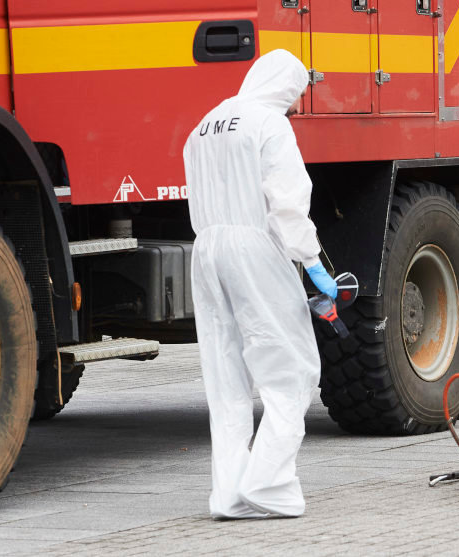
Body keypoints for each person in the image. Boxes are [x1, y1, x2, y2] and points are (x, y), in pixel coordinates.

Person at [182, 49, 337, 519]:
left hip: (206, 249)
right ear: (287, 85)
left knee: (225, 378)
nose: (295, 105)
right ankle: (267, 485)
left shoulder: (204, 125)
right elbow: (287, 204)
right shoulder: (270, 123)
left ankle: (228, 494)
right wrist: (312, 264)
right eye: (297, 94)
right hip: (254, 246)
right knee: (292, 370)